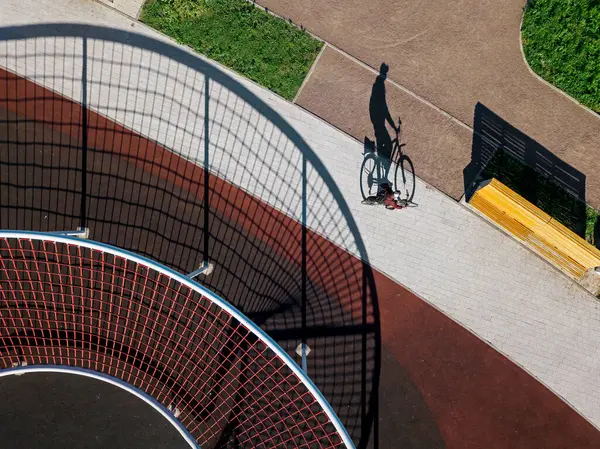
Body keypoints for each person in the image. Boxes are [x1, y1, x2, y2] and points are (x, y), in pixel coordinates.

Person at [369, 63, 400, 188]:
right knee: (389, 146)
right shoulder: (379, 86)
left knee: (385, 144)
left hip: (376, 118)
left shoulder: (378, 85)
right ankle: (383, 177)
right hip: (377, 120)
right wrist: (393, 126)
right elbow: (385, 109)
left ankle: (381, 162)